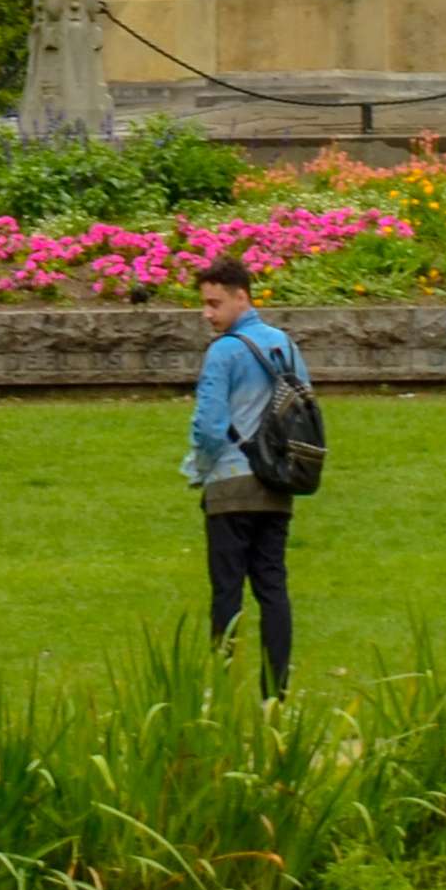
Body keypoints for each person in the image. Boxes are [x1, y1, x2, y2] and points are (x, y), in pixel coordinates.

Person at [185, 255, 312, 691]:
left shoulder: (223, 353)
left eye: (214, 304)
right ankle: (274, 693)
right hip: (277, 485)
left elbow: (208, 428)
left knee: (226, 592)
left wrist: (198, 470)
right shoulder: (286, 346)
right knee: (272, 589)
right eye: (204, 304)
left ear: (242, 296)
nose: (207, 314)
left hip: (230, 484)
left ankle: (221, 690)